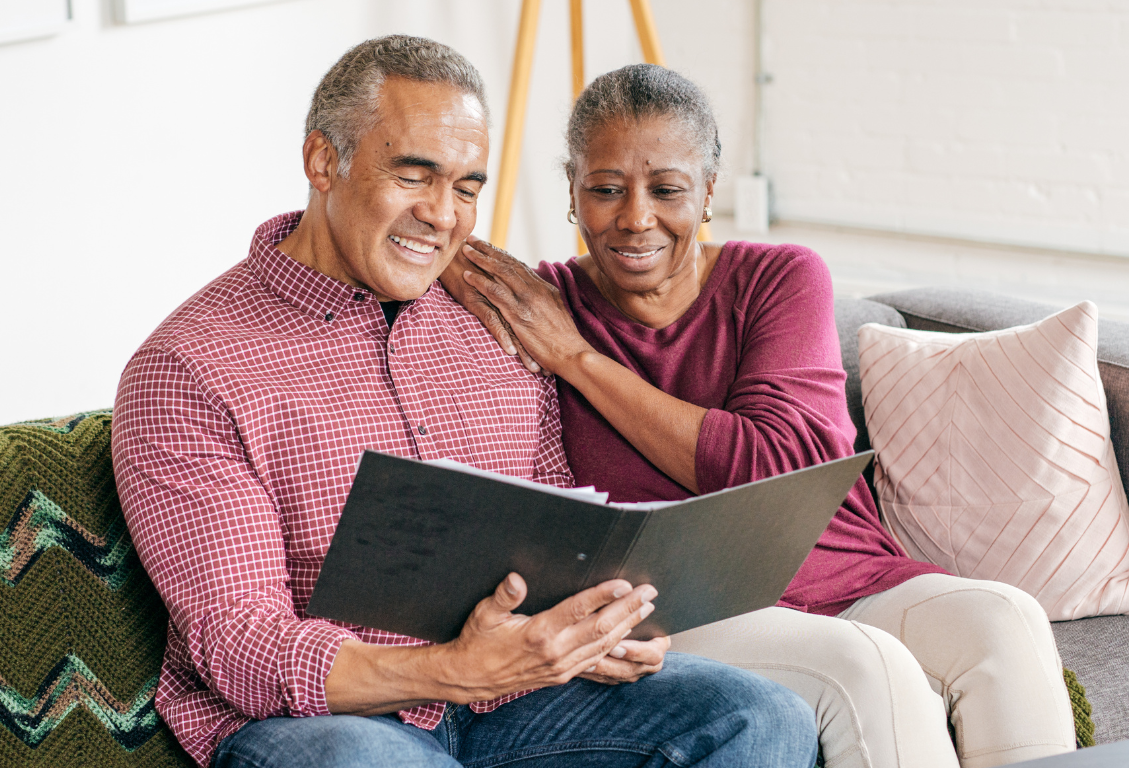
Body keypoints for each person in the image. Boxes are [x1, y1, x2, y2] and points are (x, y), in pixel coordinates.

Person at [112, 36, 818, 768]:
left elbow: (560, 524)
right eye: (414, 176)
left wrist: (596, 624)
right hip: (339, 720)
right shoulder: (189, 368)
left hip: (523, 700)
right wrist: (455, 668)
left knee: (757, 718)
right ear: (324, 162)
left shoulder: (493, 320)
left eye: (467, 187)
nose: (442, 216)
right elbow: (236, 637)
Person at [441, 64, 1077, 768]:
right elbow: (421, 246)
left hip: (846, 575)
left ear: (709, 191)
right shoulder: (535, 304)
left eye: (667, 189)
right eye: (605, 189)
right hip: (684, 604)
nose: (635, 218)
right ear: (573, 192)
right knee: (864, 665)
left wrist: (578, 359)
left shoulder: (778, 278)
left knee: (1004, 618)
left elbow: (777, 466)